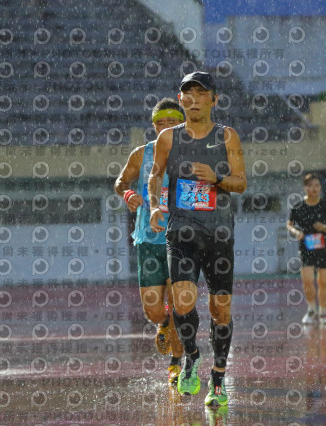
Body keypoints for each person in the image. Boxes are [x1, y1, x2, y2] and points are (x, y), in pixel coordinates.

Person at [148, 71, 247, 407]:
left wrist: (216, 177)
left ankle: (218, 378)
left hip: (219, 235)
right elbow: (155, 175)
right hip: (182, 233)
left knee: (221, 310)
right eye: (187, 93)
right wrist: (154, 205)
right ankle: (191, 356)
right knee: (182, 300)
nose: (193, 99)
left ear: (213, 100)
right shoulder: (168, 139)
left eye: (201, 93)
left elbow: (241, 183)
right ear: (181, 100)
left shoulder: (227, 136)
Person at [114, 98, 185, 385]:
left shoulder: (191, 153)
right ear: (154, 125)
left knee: (179, 304)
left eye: (172, 122)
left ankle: (177, 363)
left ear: (181, 124)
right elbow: (120, 182)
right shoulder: (141, 154)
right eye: (160, 123)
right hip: (148, 239)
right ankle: (163, 323)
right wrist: (128, 194)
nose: (165, 127)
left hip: (181, 238)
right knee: (153, 309)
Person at [286, 173, 326, 325]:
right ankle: (311, 309)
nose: (314, 189)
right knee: (308, 281)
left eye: (317, 185)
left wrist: (323, 227)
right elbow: (289, 224)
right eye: (310, 186)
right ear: (305, 187)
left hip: (324, 248)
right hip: (306, 248)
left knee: (323, 282)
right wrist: (296, 232)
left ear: (320, 187)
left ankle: (323, 312)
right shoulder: (298, 207)